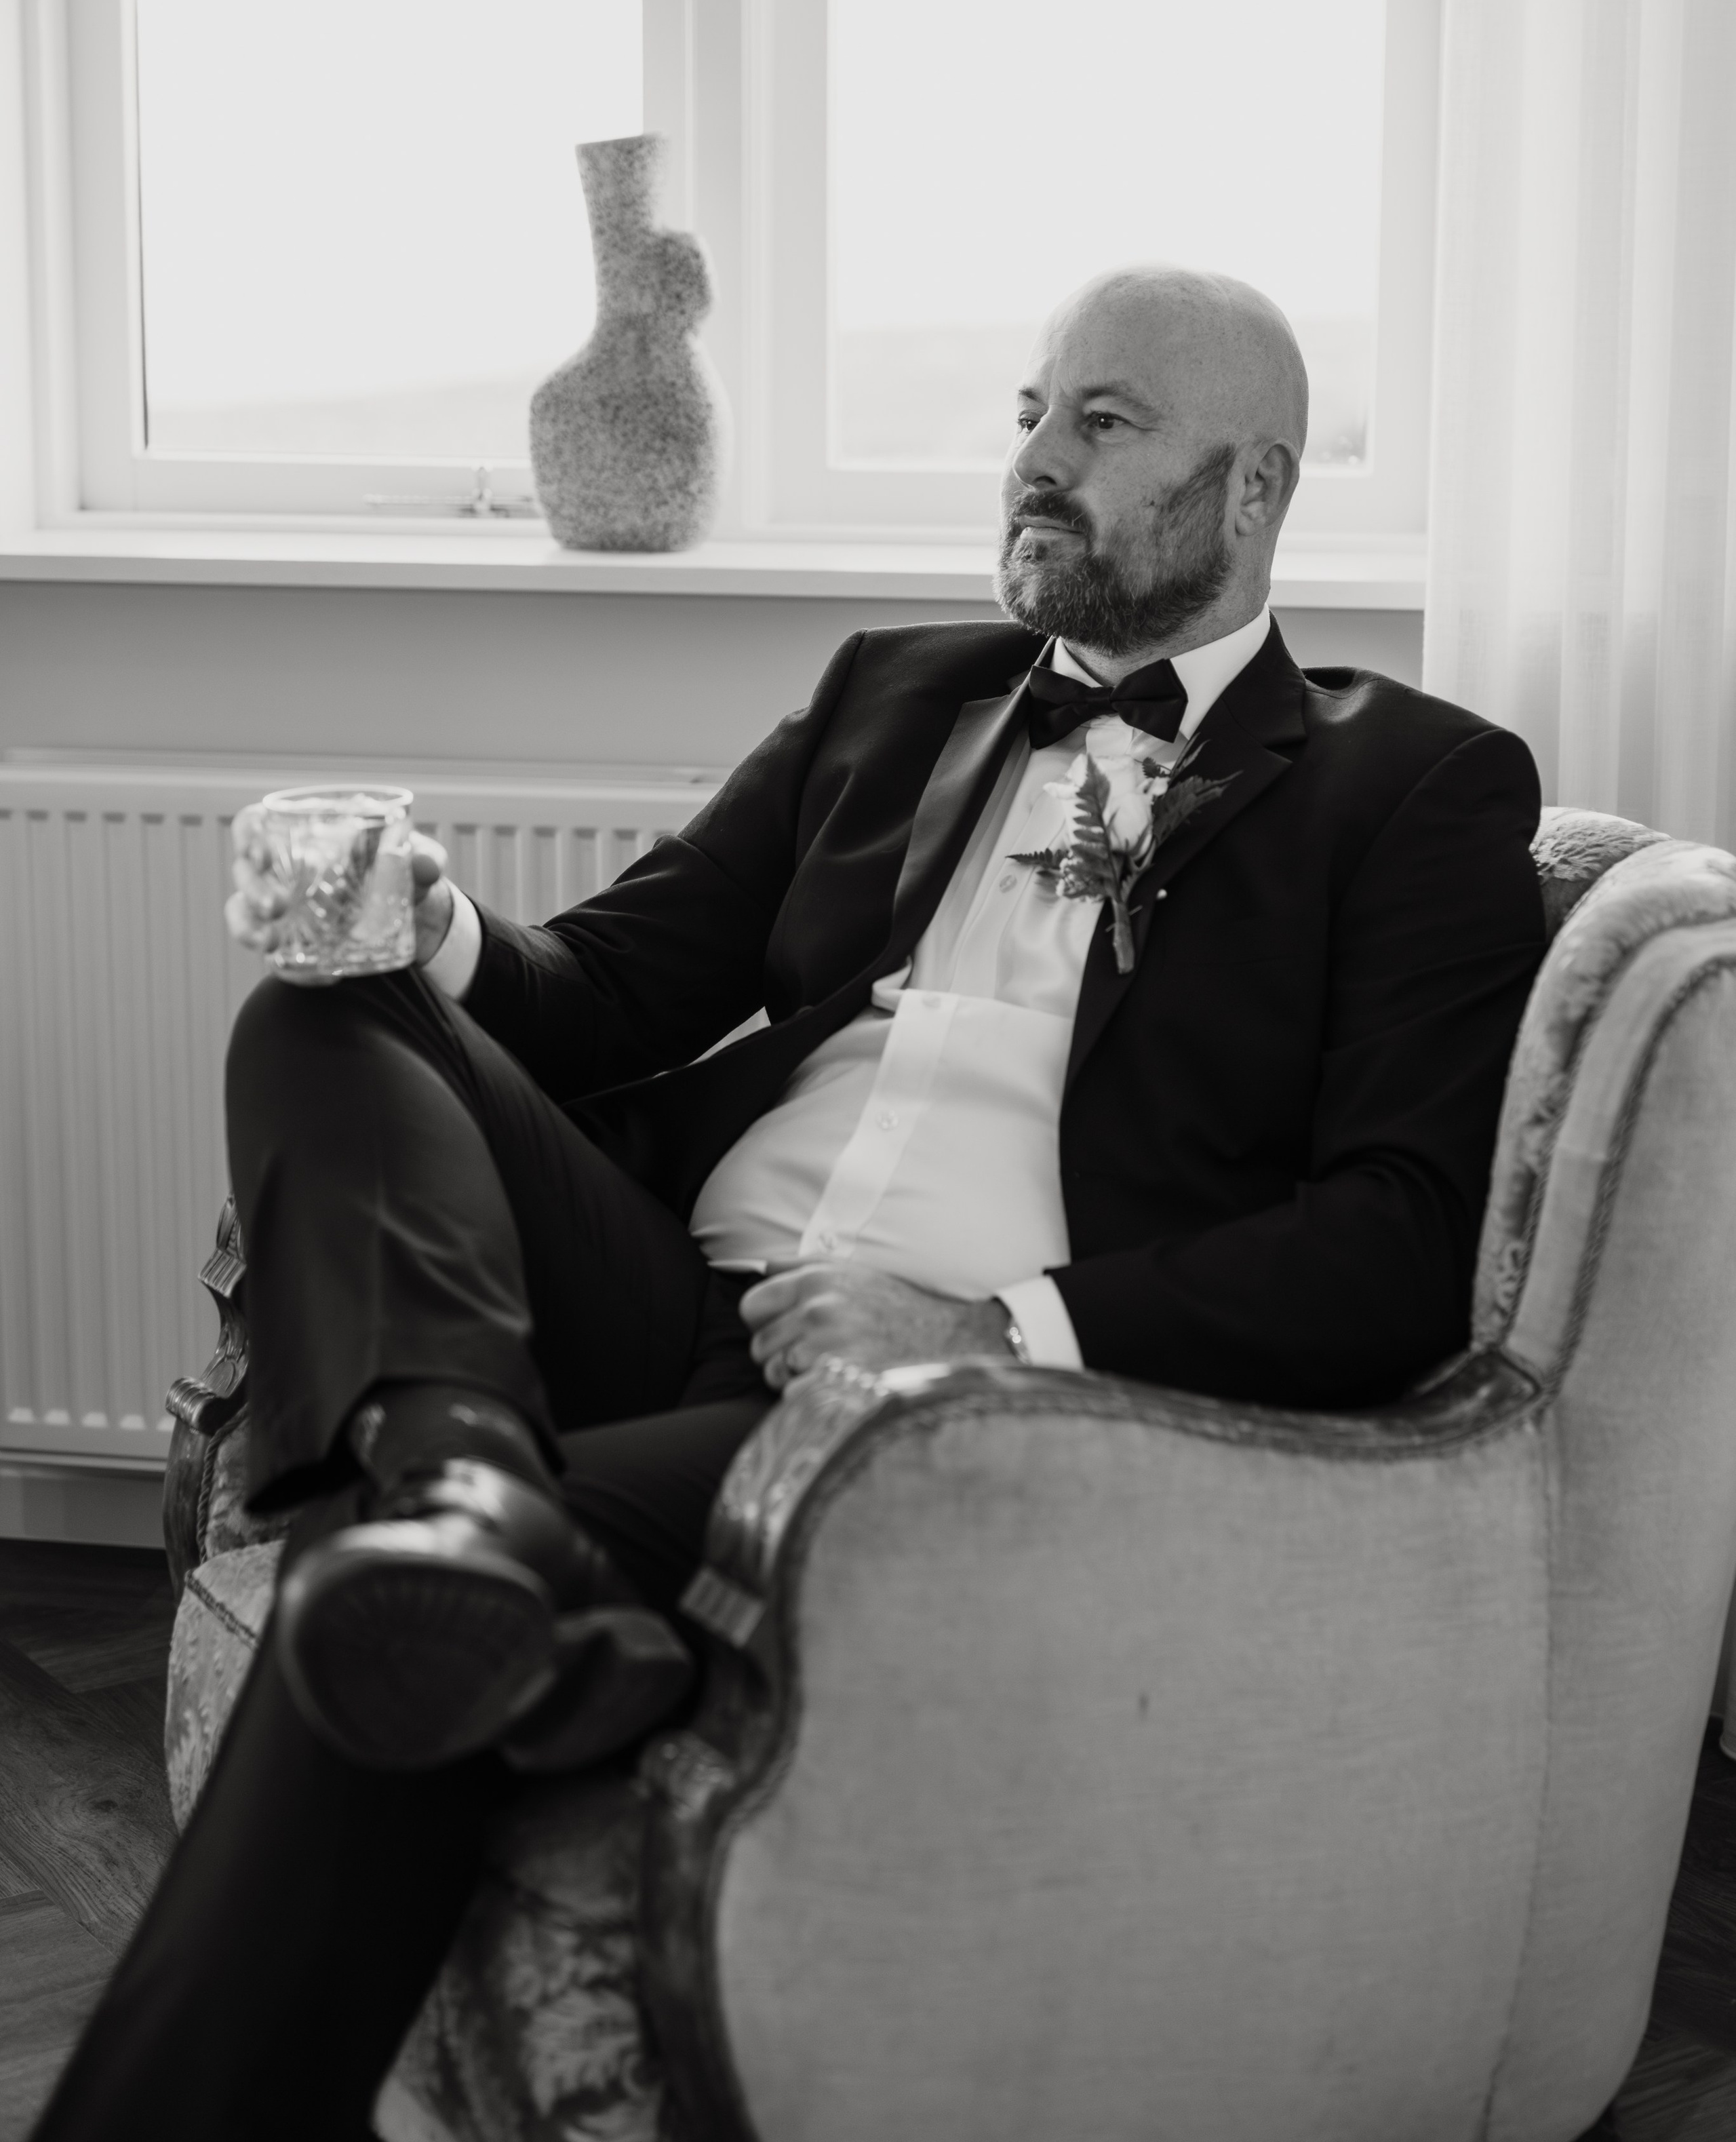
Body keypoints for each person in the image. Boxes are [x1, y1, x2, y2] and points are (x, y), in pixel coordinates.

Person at [36, 265, 1546, 2139]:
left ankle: (455, 1549)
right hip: (674, 1282)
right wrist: (429, 915)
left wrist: (988, 1336)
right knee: (322, 1007)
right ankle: (458, 1478)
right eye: (1029, 411)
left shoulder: (1413, 786)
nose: (1037, 458)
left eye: (1103, 420)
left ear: (1254, 491)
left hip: (929, 1415)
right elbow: (607, 988)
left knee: (382, 1616)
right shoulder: (891, 689)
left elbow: (1402, 1237)